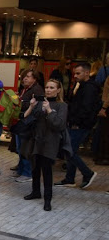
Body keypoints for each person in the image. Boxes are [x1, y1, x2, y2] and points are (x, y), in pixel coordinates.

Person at [21, 80, 68, 211]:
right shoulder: (40, 102)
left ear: (58, 90)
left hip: (50, 141)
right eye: (46, 87)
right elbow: (27, 119)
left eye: (52, 87)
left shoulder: (62, 105)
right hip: (36, 139)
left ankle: (48, 199)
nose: (48, 90)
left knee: (47, 170)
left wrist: (48, 110)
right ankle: (35, 191)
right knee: (35, 167)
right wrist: (32, 106)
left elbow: (59, 124)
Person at [55, 63, 99, 189]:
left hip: (80, 125)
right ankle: (70, 178)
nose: (75, 76)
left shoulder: (89, 88)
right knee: (70, 150)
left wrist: (76, 122)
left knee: (69, 151)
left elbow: (85, 109)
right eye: (75, 73)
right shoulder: (83, 86)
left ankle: (88, 173)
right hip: (78, 123)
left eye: (78, 73)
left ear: (86, 73)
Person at [14, 70, 45, 182]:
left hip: (29, 123)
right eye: (24, 77)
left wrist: (20, 102)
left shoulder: (37, 90)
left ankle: (27, 173)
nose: (25, 79)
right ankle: (21, 170)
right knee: (20, 148)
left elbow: (36, 106)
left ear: (34, 79)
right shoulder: (25, 89)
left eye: (28, 77)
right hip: (23, 121)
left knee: (26, 148)